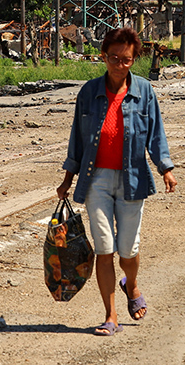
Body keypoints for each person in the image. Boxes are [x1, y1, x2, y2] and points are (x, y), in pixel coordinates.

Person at [57, 27, 176, 336]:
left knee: (127, 251)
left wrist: (165, 168)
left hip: (133, 178)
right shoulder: (88, 93)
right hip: (96, 179)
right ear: (103, 57)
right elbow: (77, 141)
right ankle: (111, 316)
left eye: (126, 59)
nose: (119, 65)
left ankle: (132, 284)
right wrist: (68, 178)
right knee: (104, 249)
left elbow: (155, 135)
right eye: (113, 58)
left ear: (133, 60)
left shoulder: (145, 92)